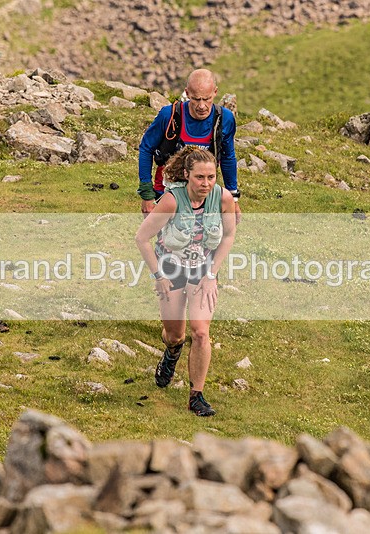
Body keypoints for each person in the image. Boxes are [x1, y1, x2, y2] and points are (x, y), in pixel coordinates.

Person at [135, 146, 237, 416]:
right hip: (170, 268)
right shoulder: (171, 201)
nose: (206, 184)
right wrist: (158, 276)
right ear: (186, 175)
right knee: (175, 334)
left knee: (201, 332)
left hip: (203, 269)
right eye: (200, 178)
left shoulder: (223, 199)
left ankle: (197, 396)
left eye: (211, 177)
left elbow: (228, 236)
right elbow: (141, 239)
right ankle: (171, 352)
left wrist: (212, 274)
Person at [138, 69, 242, 223]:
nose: (201, 106)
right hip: (166, 194)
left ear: (215, 92)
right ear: (187, 93)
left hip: (204, 194)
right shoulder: (169, 115)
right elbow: (146, 148)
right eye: (196, 99)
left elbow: (228, 158)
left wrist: (233, 199)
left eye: (206, 99)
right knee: (170, 242)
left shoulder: (225, 119)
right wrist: (147, 194)